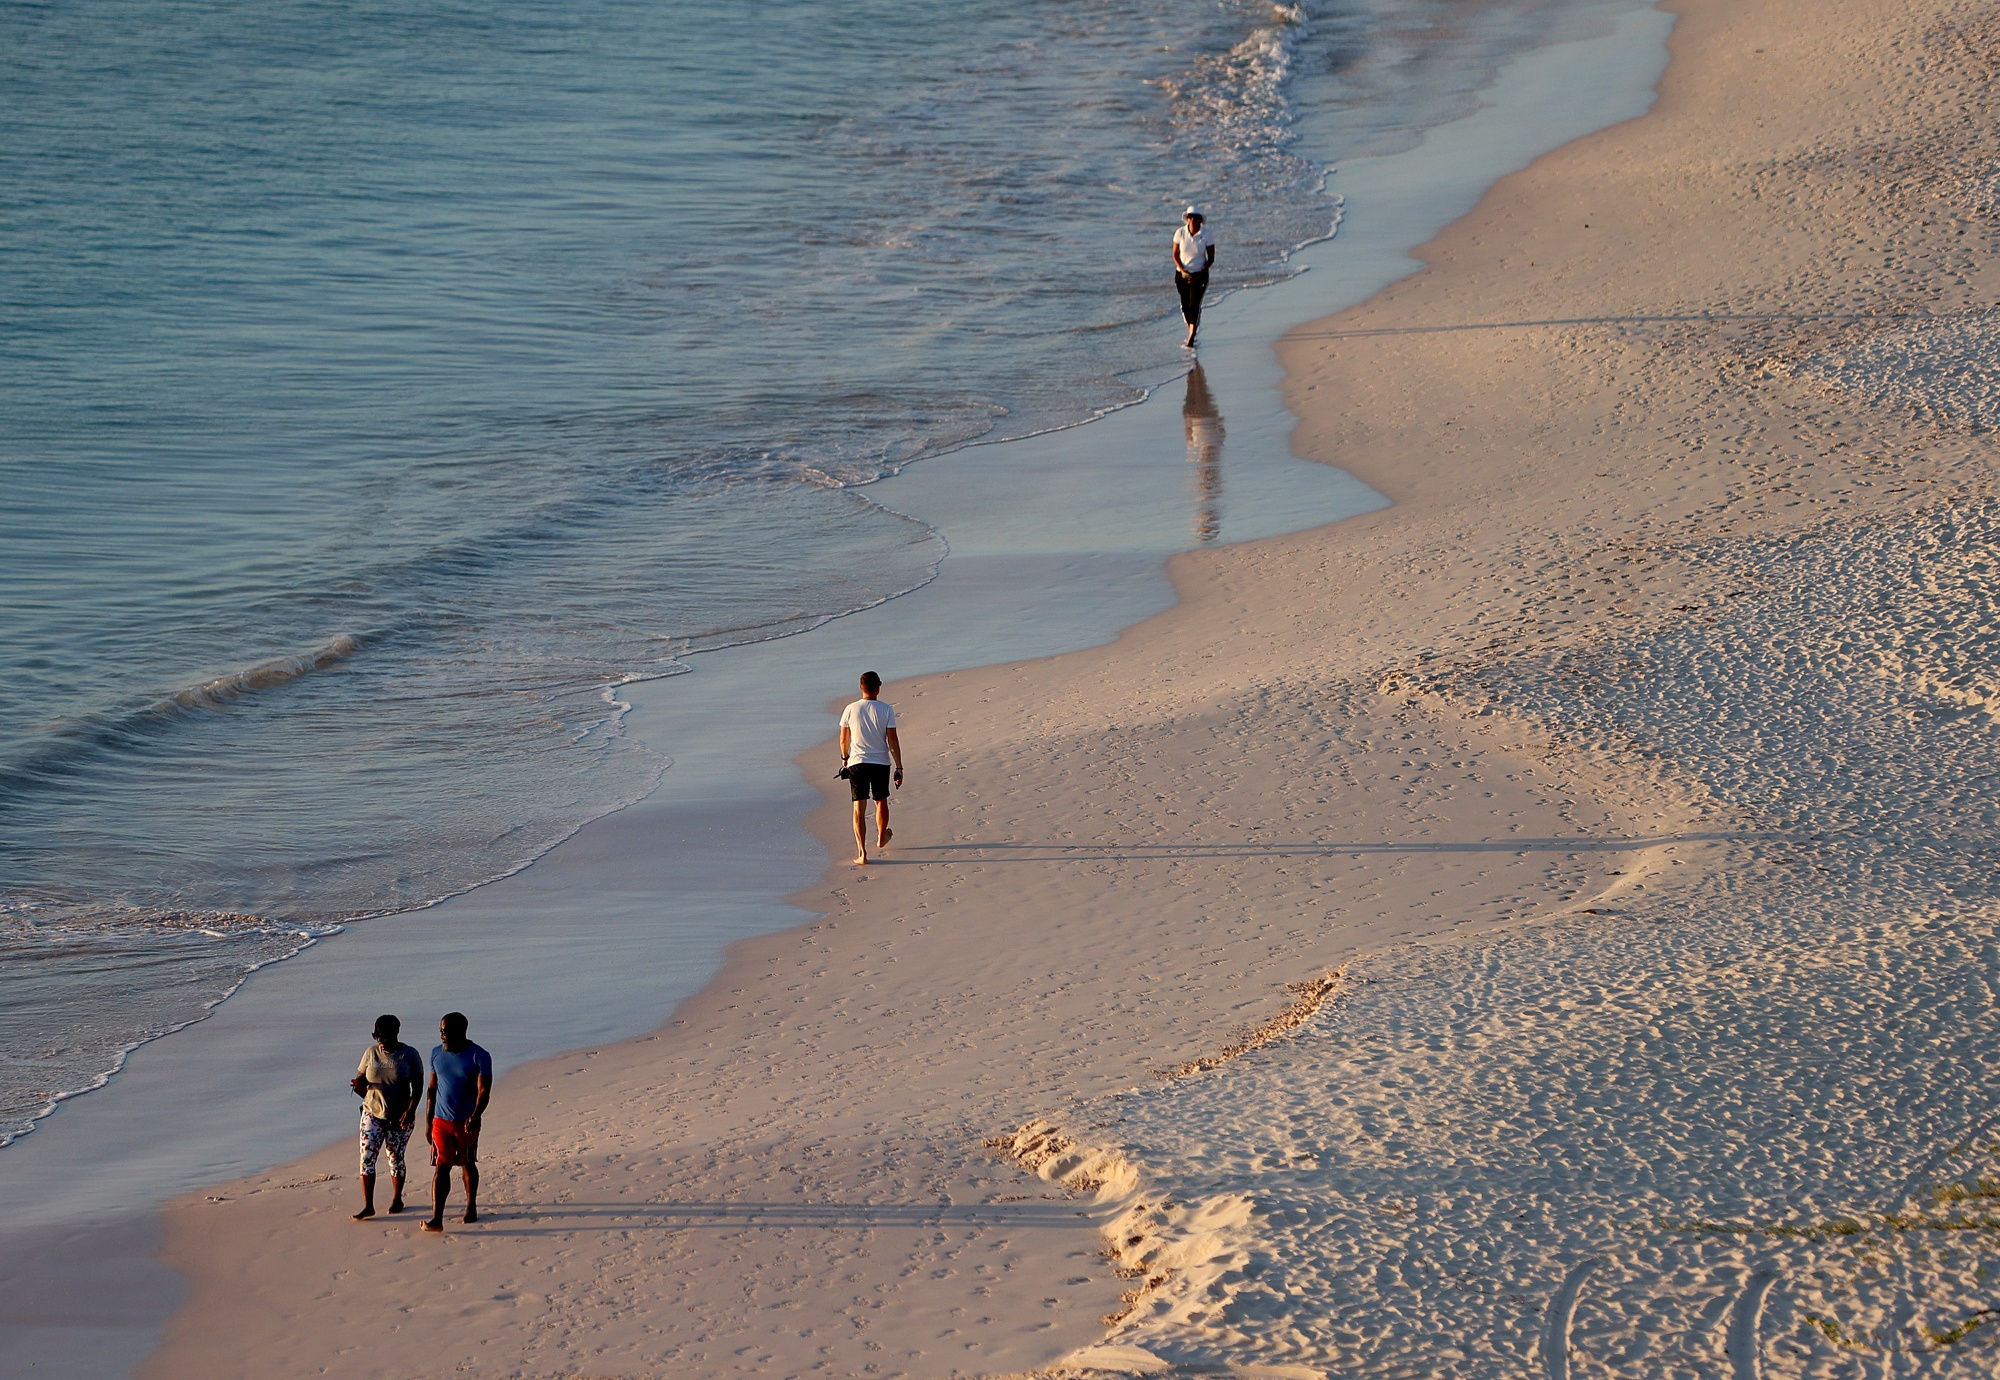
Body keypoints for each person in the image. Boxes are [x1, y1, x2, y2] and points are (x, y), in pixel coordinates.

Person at [423, 1011, 492, 1233]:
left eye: (446, 1031)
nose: (442, 1035)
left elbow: (484, 1091)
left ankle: (471, 1206)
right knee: (441, 1167)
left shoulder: (479, 1056)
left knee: (467, 1163)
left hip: (467, 1123)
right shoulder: (435, 1054)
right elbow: (432, 1089)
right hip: (440, 1122)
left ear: (460, 1032)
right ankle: (437, 1219)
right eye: (440, 1030)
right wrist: (427, 1122)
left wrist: (476, 1115)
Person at [349, 1014, 423, 1220]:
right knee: (366, 1159)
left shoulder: (409, 1055)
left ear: (395, 1033)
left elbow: (418, 1087)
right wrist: (358, 1087)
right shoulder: (370, 1053)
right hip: (372, 1113)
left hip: (399, 1116)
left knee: (395, 1158)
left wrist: (410, 1111)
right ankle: (368, 1205)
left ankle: (397, 1198)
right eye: (376, 1035)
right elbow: (361, 1080)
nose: (379, 1040)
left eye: (383, 1035)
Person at [838, 670, 903, 866]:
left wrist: (844, 759)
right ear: (878, 688)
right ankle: (882, 837)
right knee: (881, 801)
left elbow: (843, 739)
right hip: (881, 762)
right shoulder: (886, 709)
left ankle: (862, 853)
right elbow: (892, 739)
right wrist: (899, 766)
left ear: (860, 687)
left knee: (859, 807)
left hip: (857, 762)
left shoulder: (850, 709)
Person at [1172, 206, 1216, 348]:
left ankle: (1191, 338)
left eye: (1196, 217)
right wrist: (1183, 270)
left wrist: (1202, 271)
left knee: (1194, 304)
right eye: (1190, 217)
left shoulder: (1207, 234)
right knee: (1185, 305)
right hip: (1182, 274)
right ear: (1188, 219)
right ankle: (1192, 328)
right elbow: (1175, 254)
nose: (1193, 220)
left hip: (1200, 274)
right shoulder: (1180, 233)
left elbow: (1211, 258)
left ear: (1200, 220)